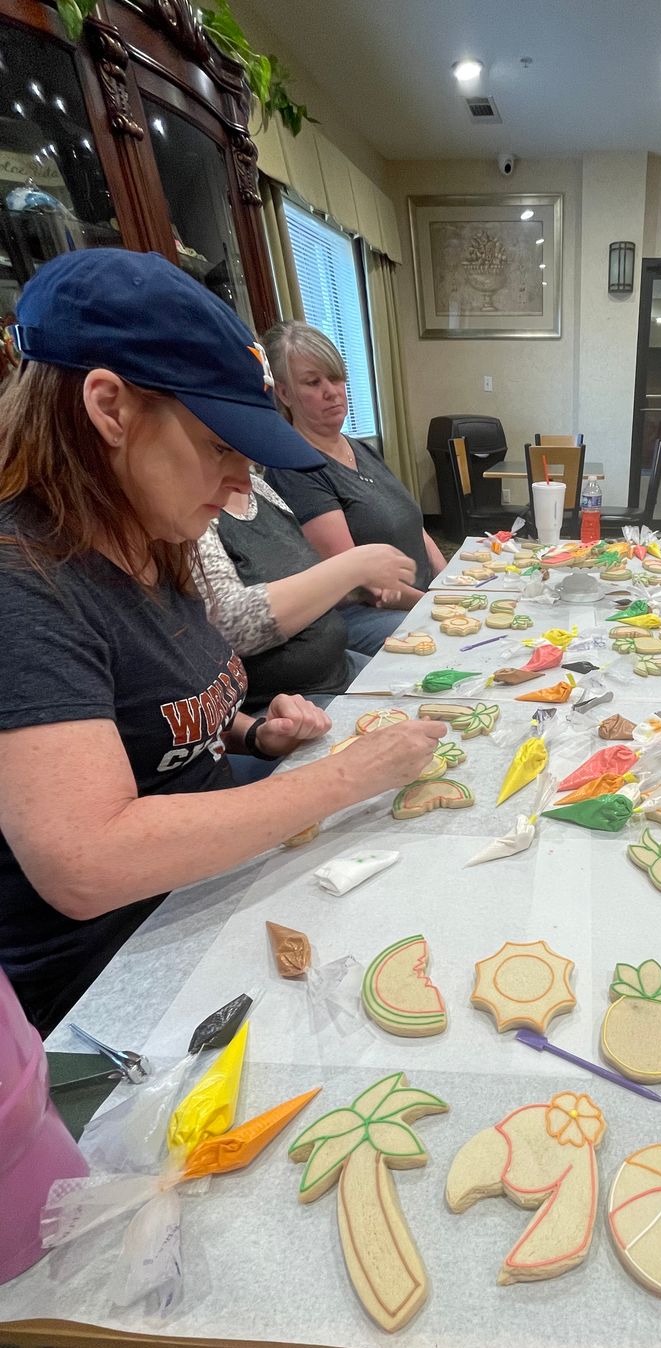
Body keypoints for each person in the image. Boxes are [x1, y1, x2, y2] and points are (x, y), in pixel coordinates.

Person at [0, 250, 444, 1033]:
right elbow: (86, 862)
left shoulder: (151, 538)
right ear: (109, 407)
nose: (242, 482)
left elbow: (153, 720)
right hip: (114, 976)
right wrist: (344, 777)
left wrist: (250, 731)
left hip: (212, 884)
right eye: (219, 446)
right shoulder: (24, 587)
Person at [262, 322, 447, 653]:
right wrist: (434, 604)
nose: (331, 391)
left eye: (335, 378)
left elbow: (415, 526)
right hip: (365, 613)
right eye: (313, 382)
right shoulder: (295, 469)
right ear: (285, 394)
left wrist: (448, 583)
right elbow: (361, 583)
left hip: (417, 597)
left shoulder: (361, 449)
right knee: (456, 644)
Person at [194, 471, 417, 710]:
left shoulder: (260, 488)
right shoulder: (193, 515)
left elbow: (302, 581)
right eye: (226, 455)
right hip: (290, 703)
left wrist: (356, 590)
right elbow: (228, 627)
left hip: (339, 668)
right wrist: (351, 569)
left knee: (430, 683)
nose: (244, 479)